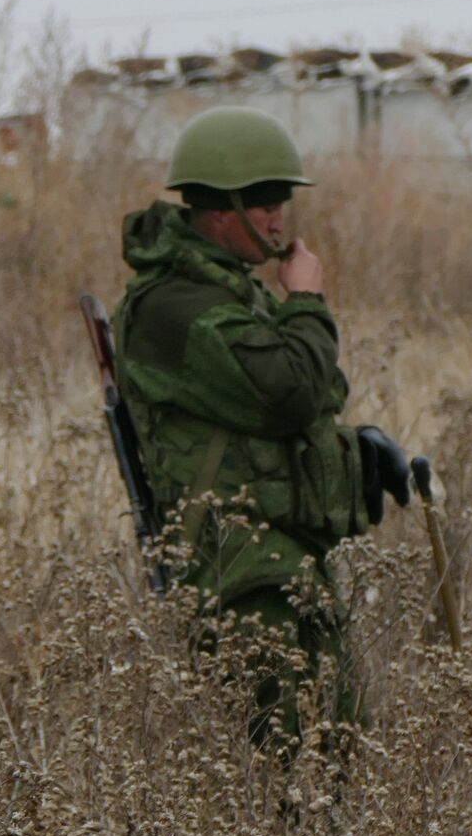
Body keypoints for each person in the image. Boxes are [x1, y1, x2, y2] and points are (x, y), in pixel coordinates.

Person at [113, 106, 409, 751]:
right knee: (296, 763)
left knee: (335, 745)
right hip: (240, 572)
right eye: (268, 202)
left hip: (276, 560)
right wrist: (305, 299)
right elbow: (292, 392)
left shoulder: (224, 293)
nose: (280, 218)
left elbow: (293, 410)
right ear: (223, 210)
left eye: (282, 202)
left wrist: (362, 458)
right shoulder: (176, 307)